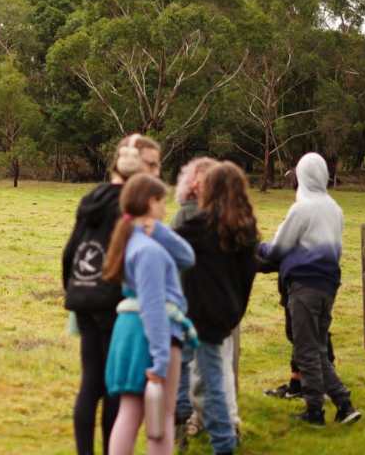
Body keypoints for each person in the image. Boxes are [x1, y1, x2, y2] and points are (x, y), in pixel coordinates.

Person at [62, 134, 161, 455]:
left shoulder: (91, 197)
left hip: (83, 295)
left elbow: (70, 251)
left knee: (91, 383)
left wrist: (74, 290)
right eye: (153, 166)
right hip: (115, 301)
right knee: (116, 385)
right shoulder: (131, 206)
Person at [260, 153, 361, 427]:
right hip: (329, 285)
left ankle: (315, 411)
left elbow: (278, 249)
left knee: (306, 349)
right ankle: (343, 405)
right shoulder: (335, 209)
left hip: (304, 286)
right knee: (316, 348)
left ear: (302, 176)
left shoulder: (302, 209)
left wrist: (256, 247)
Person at [102, 173, 196, 455]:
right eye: (161, 202)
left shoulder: (131, 241)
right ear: (150, 202)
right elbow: (153, 306)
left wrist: (161, 230)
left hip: (128, 333)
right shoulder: (149, 252)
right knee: (161, 419)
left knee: (129, 414)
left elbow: (186, 258)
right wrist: (161, 358)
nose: (166, 209)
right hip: (154, 336)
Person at [175, 161, 259, 455]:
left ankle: (188, 428)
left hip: (194, 315)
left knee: (186, 377)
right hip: (225, 317)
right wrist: (234, 312)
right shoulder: (246, 229)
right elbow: (248, 275)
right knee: (213, 382)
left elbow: (169, 243)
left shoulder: (200, 226)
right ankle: (220, 440)